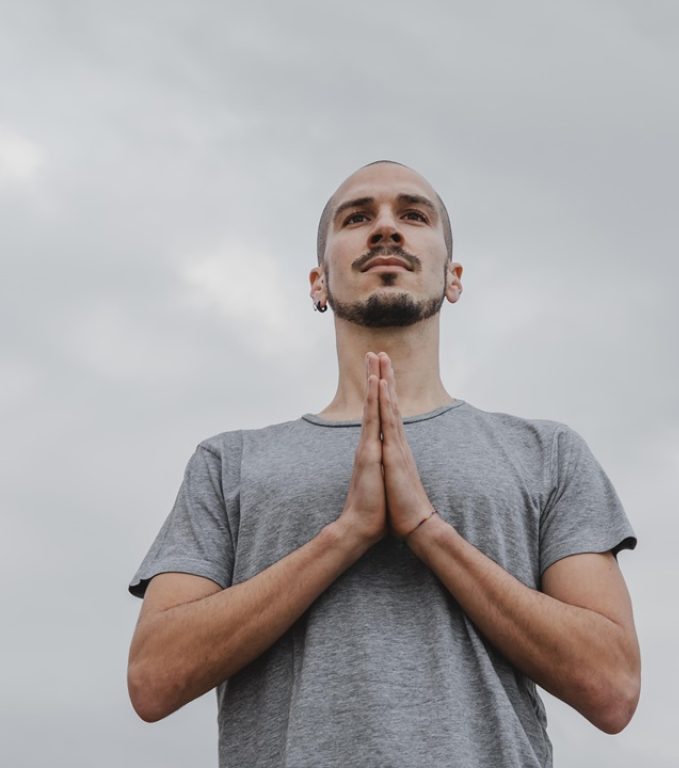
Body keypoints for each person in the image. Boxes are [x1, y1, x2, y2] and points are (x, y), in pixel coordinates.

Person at [127, 160, 640, 768]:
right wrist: (346, 535)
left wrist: (427, 528)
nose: (386, 229)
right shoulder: (229, 462)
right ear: (318, 284)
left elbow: (613, 687)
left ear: (453, 277)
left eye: (413, 215)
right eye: (359, 217)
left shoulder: (546, 452)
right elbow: (153, 679)